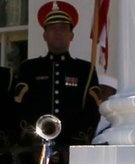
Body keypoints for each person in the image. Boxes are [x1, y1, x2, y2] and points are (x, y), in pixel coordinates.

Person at [16, 2, 103, 148]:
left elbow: (92, 109)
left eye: (63, 28)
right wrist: (32, 138)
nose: (58, 32)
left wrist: (79, 139)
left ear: (71, 35)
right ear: (45, 35)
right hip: (35, 147)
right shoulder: (29, 68)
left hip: (72, 145)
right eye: (52, 28)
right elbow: (20, 107)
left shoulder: (85, 70)